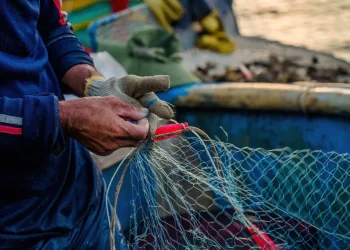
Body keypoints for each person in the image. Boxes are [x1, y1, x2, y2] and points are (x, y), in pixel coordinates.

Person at [0, 1, 173, 249]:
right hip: (12, 229)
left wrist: (93, 83)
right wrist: (63, 119)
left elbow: (52, 26)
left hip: (79, 191)